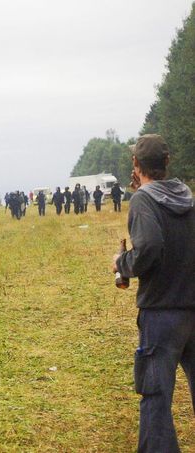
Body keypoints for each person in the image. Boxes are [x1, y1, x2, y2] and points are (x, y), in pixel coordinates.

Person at [113, 134, 195, 453]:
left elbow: (149, 248)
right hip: (192, 306)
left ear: (136, 163)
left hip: (161, 313)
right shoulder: (187, 198)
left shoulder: (143, 200)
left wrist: (122, 262)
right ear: (167, 161)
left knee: (156, 396)